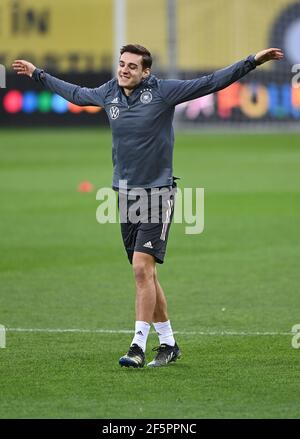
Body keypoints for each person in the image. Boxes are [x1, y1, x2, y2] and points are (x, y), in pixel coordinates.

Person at [12, 45, 283, 368]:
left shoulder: (163, 92)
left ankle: (137, 346)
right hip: (125, 195)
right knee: (146, 274)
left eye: (132, 66)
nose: (124, 69)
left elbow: (212, 81)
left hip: (158, 194)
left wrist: (252, 62)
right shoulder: (108, 93)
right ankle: (168, 343)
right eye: (122, 63)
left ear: (146, 72)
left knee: (142, 268)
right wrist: (38, 74)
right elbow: (75, 93)